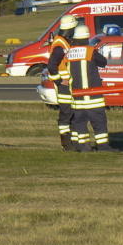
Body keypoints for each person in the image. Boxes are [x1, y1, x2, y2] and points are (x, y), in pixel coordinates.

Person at [65, 24, 115, 152]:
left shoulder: (69, 52)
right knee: (99, 123)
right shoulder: (90, 51)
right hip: (93, 97)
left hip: (77, 98)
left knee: (79, 123)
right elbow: (103, 62)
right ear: (87, 37)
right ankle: (103, 146)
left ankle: (83, 146)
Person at [46, 14, 78, 150]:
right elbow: (51, 65)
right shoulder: (60, 45)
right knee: (66, 115)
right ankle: (66, 144)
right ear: (70, 29)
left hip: (68, 86)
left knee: (72, 114)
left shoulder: (64, 43)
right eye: (74, 29)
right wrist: (59, 81)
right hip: (64, 88)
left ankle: (74, 143)